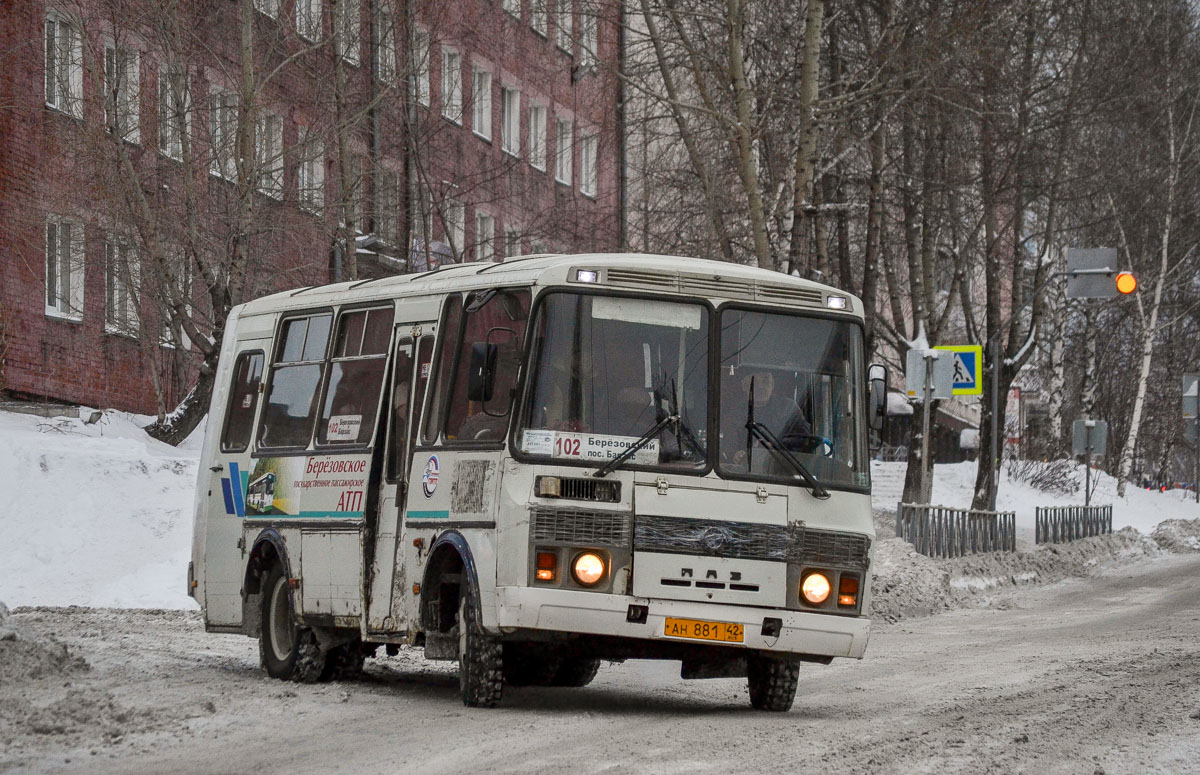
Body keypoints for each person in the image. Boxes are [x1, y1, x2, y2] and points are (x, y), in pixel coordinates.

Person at [721, 368, 816, 471]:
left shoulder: (788, 408)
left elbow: (805, 437)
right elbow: (729, 446)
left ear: (773, 384)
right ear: (744, 386)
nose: (761, 386)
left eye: (765, 380)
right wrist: (736, 455)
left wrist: (778, 445)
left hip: (785, 470)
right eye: (754, 382)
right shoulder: (734, 414)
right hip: (745, 473)